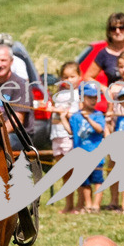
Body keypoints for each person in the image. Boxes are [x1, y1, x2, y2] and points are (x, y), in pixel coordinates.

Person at [70, 83, 109, 212]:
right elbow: (70, 131)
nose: (93, 100)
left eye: (95, 97)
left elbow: (100, 130)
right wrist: (64, 117)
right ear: (81, 97)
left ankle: (96, 205)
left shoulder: (98, 115)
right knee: (84, 182)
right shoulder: (75, 116)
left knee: (98, 181)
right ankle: (88, 204)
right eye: (89, 97)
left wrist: (89, 119)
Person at [0, 43, 33, 152]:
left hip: (18, 135)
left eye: (3, 60)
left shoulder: (21, 85)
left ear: (11, 61)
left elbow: (17, 119)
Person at [51, 62, 81, 214]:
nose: (68, 80)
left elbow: (74, 114)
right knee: (65, 173)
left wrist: (60, 111)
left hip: (68, 135)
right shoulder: (60, 94)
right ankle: (68, 204)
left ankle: (78, 204)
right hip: (56, 134)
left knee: (74, 171)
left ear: (79, 77)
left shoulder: (77, 95)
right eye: (65, 77)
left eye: (72, 76)